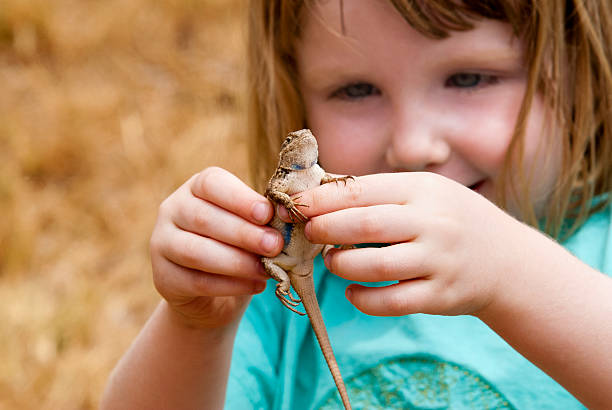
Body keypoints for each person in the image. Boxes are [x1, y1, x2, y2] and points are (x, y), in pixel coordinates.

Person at [101, 0, 612, 408]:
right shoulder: (266, 302)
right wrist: (195, 330)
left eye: (470, 78)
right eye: (356, 89)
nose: (412, 146)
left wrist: (512, 272)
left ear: (575, 69)